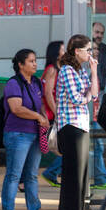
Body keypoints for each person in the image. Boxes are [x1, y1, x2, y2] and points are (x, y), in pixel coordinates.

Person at [1, 48, 52, 210]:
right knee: (14, 175)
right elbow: (16, 108)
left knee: (31, 175)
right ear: (21, 65)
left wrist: (44, 116)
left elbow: (40, 105)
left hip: (35, 134)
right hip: (18, 134)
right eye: (31, 61)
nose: (35, 64)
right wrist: (38, 117)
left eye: (35, 60)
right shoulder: (13, 83)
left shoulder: (36, 82)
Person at [55, 34, 98, 210]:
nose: (90, 53)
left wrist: (94, 71)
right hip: (70, 126)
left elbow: (94, 93)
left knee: (81, 174)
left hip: (81, 125)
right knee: (73, 174)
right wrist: (88, 96)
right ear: (77, 51)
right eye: (88, 50)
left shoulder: (80, 71)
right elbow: (76, 98)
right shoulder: (67, 70)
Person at [90, 21, 106, 189]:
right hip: (86, 100)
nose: (99, 35)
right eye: (96, 32)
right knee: (96, 140)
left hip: (99, 98)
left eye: (101, 33)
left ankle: (52, 171)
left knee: (95, 139)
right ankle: (100, 178)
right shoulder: (83, 50)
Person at [40, 40, 64, 186]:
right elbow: (48, 93)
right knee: (66, 147)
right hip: (51, 113)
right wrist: (57, 113)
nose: (65, 51)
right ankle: (51, 172)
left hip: (53, 112)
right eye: (62, 49)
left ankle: (52, 172)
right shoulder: (52, 69)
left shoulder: (58, 68)